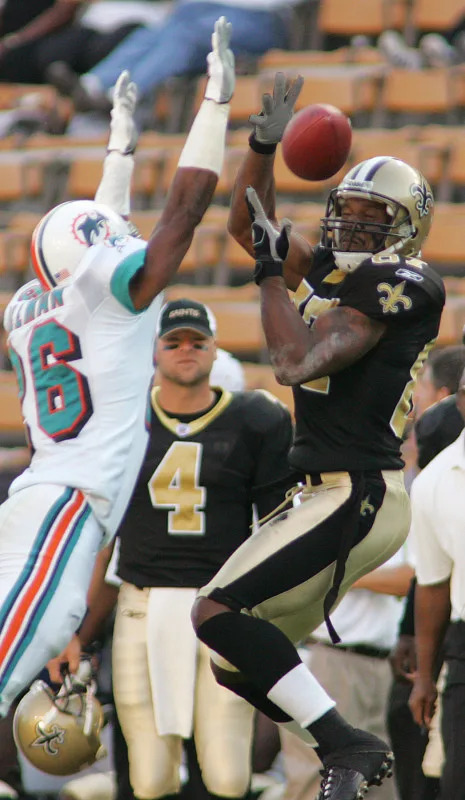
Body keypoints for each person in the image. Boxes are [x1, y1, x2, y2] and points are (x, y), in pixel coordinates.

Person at [187, 72, 446, 800]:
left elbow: (294, 360)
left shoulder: (405, 282)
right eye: (348, 210)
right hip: (331, 492)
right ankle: (343, 749)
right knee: (234, 656)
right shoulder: (344, 270)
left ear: (404, 227)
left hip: (358, 492)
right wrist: (262, 147)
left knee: (215, 611)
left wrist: (273, 277)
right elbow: (249, 227)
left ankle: (347, 746)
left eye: (372, 215)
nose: (352, 225)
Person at [0, 14, 235, 719]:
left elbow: (103, 234)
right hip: (68, 505)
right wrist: (214, 108)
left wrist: (119, 156)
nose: (120, 239)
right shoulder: (104, 291)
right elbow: (180, 219)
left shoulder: (32, 305)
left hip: (41, 496)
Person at [47, 297, 295, 796]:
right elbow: (98, 538)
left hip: (223, 605)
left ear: (213, 349)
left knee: (228, 774)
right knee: (149, 777)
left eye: (197, 342)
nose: (187, 350)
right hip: (142, 604)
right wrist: (69, 628)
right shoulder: (123, 424)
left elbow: (277, 527)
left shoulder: (254, 420)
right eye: (174, 342)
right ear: (155, 352)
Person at [279, 550, 411, 800]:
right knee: (319, 777)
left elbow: (409, 578)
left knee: (379, 779)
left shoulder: (399, 513)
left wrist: (346, 575)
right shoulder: (319, 512)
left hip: (382, 663)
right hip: (328, 658)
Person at [46, 0, 301, 117]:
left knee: (184, 34)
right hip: (200, 12)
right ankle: (93, 84)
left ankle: (122, 96)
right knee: (155, 30)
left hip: (264, 19)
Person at [408, 366, 465, 798]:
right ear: (459, 400)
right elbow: (432, 585)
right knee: (456, 780)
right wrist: (426, 676)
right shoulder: (434, 481)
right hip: (463, 647)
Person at [0, 0, 140, 85]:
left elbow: (65, 10)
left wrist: (16, 40)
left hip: (46, 38)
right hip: (16, 38)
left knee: (44, 56)